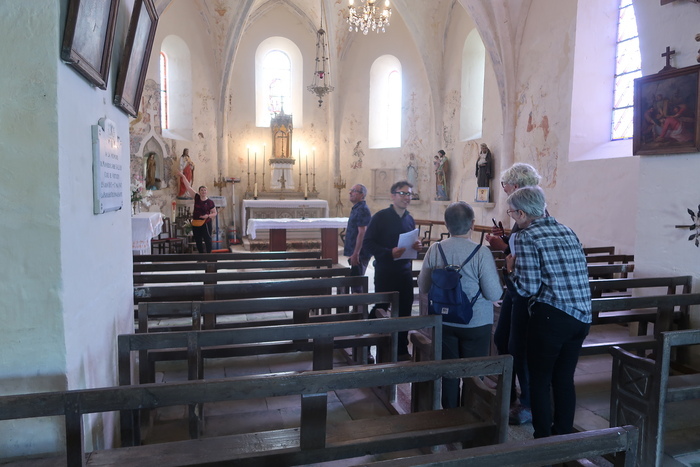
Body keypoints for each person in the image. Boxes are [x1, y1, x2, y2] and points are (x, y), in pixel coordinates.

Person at [504, 186, 591, 439]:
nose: (512, 218)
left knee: (540, 381)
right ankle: (562, 435)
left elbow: (527, 288)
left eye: (511, 213)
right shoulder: (567, 230)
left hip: (552, 317)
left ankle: (543, 439)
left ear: (521, 213)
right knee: (564, 379)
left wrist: (510, 271)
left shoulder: (526, 236)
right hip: (582, 316)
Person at [418, 201, 503, 409]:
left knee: (449, 372)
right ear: (472, 224)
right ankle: (471, 413)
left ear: (447, 225)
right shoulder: (481, 252)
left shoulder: (435, 249)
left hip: (444, 320)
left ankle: (450, 416)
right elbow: (493, 293)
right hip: (476, 322)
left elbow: (423, 286)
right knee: (474, 374)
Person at [485, 162, 543, 425]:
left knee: (519, 346)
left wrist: (502, 245)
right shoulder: (524, 215)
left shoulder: (532, 213)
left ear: (517, 186)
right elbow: (520, 248)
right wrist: (506, 240)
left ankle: (527, 402)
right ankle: (509, 391)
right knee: (503, 338)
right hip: (516, 288)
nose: (504, 188)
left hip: (524, 291)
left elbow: (527, 257)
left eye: (505, 184)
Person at [362, 181, 422, 360]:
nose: (407, 197)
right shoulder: (380, 217)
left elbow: (409, 244)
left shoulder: (409, 218)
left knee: (405, 310)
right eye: (402, 193)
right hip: (385, 271)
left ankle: (401, 349)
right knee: (381, 307)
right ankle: (365, 344)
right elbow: (368, 243)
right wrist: (389, 253)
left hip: (404, 272)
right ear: (392, 196)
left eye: (409, 194)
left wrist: (416, 246)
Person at [177, 170, 217, 253]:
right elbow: (188, 187)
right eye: (201, 190)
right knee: (198, 239)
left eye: (205, 190)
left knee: (207, 239)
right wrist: (183, 176)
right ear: (199, 192)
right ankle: (201, 256)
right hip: (196, 222)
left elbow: (214, 213)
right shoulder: (197, 197)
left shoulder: (210, 202)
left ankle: (209, 255)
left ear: (207, 192)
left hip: (206, 222)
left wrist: (208, 216)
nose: (203, 192)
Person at [344, 184, 372, 289]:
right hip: (357, 252)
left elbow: (362, 232)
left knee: (357, 283)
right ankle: (357, 303)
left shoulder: (362, 209)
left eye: (354, 191)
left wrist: (356, 253)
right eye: (351, 190)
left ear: (362, 195)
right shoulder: (357, 208)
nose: (350, 192)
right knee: (355, 281)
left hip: (361, 253)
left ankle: (359, 303)